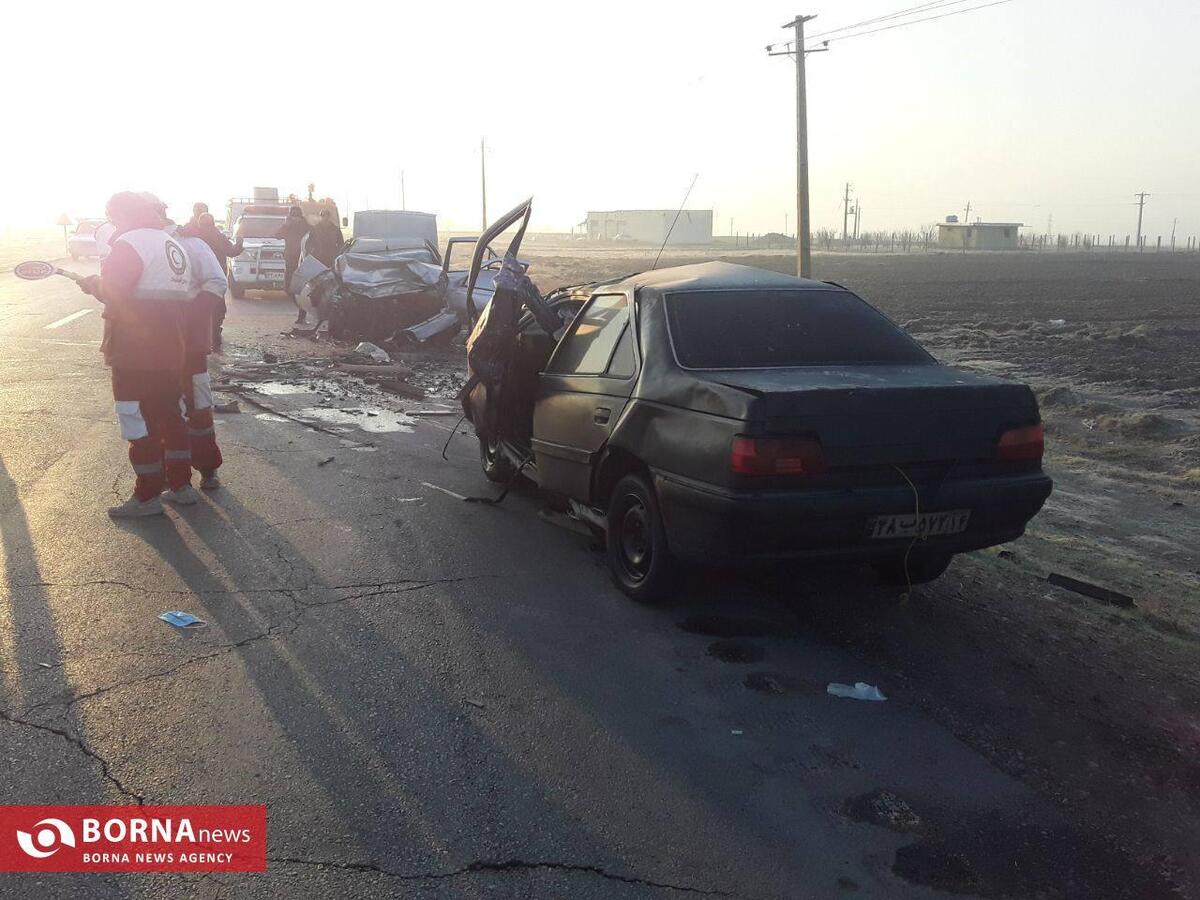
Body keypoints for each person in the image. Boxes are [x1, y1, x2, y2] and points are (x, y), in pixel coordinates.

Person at [78, 192, 197, 518]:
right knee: (172, 416)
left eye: (112, 216)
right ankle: (181, 486)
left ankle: (147, 496)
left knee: (136, 418)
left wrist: (92, 283)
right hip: (171, 349)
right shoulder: (171, 244)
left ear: (121, 215)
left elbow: (114, 291)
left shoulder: (129, 243)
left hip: (135, 352)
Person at [174, 229, 227, 490]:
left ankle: (207, 469)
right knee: (163, 410)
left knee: (197, 403)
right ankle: (173, 477)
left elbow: (217, 281)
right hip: (153, 347)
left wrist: (189, 317)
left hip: (190, 348)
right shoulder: (131, 240)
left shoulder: (191, 244)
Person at [183, 208, 242, 348]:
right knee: (217, 310)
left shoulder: (187, 233)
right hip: (213, 279)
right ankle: (213, 337)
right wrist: (240, 243)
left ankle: (200, 338)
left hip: (192, 280)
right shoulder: (216, 235)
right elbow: (232, 251)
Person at [275, 206, 312, 324]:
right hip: (290, 261)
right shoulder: (288, 227)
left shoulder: (306, 227)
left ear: (300, 216)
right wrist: (286, 224)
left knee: (300, 288)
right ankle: (302, 308)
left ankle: (302, 313)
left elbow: (314, 238)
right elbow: (277, 235)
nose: (295, 218)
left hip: (302, 260)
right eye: (293, 216)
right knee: (288, 288)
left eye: (297, 216)